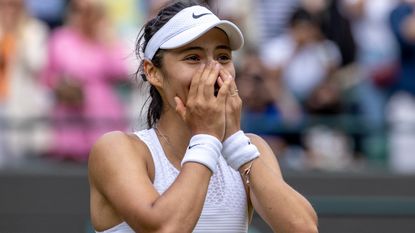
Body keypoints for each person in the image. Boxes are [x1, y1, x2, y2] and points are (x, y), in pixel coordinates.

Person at [88, 1, 318, 233]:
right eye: (193, 58)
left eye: (223, 57)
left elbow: (304, 228)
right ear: (152, 72)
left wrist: (235, 141)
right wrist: (207, 136)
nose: (214, 70)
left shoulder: (250, 148)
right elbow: (165, 228)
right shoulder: (117, 149)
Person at [41, 0, 130, 161]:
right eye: (77, 10)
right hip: (69, 112)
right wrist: (61, 86)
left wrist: (105, 38)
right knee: (69, 170)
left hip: (102, 113)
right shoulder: (61, 38)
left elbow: (121, 71)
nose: (83, 16)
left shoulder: (106, 38)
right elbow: (47, 75)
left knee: (105, 161)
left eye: (89, 11)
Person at [0, 0, 51, 160]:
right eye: (5, 5)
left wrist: (18, 35)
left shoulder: (34, 30)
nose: (10, 10)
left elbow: (37, 64)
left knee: (19, 158)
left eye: (14, 5)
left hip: (19, 103)